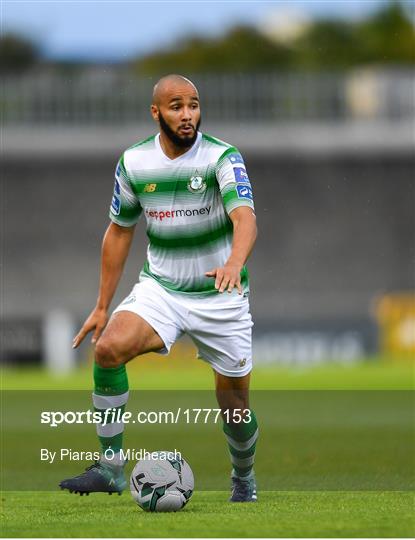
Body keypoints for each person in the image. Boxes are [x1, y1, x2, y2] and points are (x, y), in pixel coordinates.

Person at [59, 74, 258, 503]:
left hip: (220, 297)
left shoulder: (222, 157)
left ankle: (243, 477)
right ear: (156, 112)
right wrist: (101, 305)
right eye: (176, 106)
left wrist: (234, 263)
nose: (187, 115)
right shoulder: (134, 163)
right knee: (108, 348)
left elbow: (245, 218)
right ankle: (111, 469)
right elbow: (118, 232)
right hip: (162, 290)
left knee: (236, 408)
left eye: (193, 105)